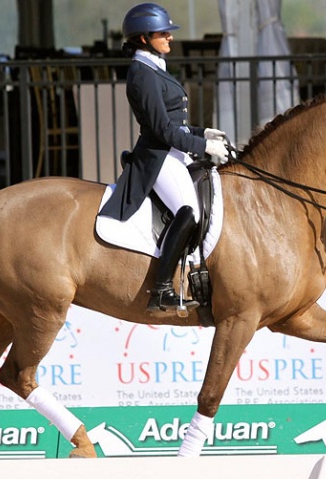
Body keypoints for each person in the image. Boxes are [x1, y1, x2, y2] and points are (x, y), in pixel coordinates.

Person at [98, 2, 229, 312]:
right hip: (158, 157)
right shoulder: (141, 73)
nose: (170, 37)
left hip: (173, 151)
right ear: (143, 38)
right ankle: (160, 289)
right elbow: (160, 129)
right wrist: (201, 146)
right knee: (189, 211)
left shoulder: (154, 66)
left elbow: (175, 124)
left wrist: (202, 132)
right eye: (163, 33)